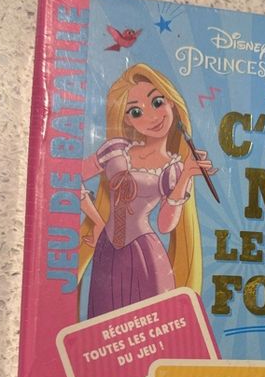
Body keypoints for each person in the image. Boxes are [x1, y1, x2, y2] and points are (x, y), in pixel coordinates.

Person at [78, 63, 213, 319]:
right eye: (137, 111)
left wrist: (185, 176)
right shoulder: (115, 149)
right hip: (107, 253)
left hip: (146, 256)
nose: (152, 117)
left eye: (157, 102)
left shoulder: (174, 169)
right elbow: (69, 177)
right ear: (127, 119)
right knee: (106, 326)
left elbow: (165, 225)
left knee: (151, 326)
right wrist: (96, 220)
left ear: (171, 103)